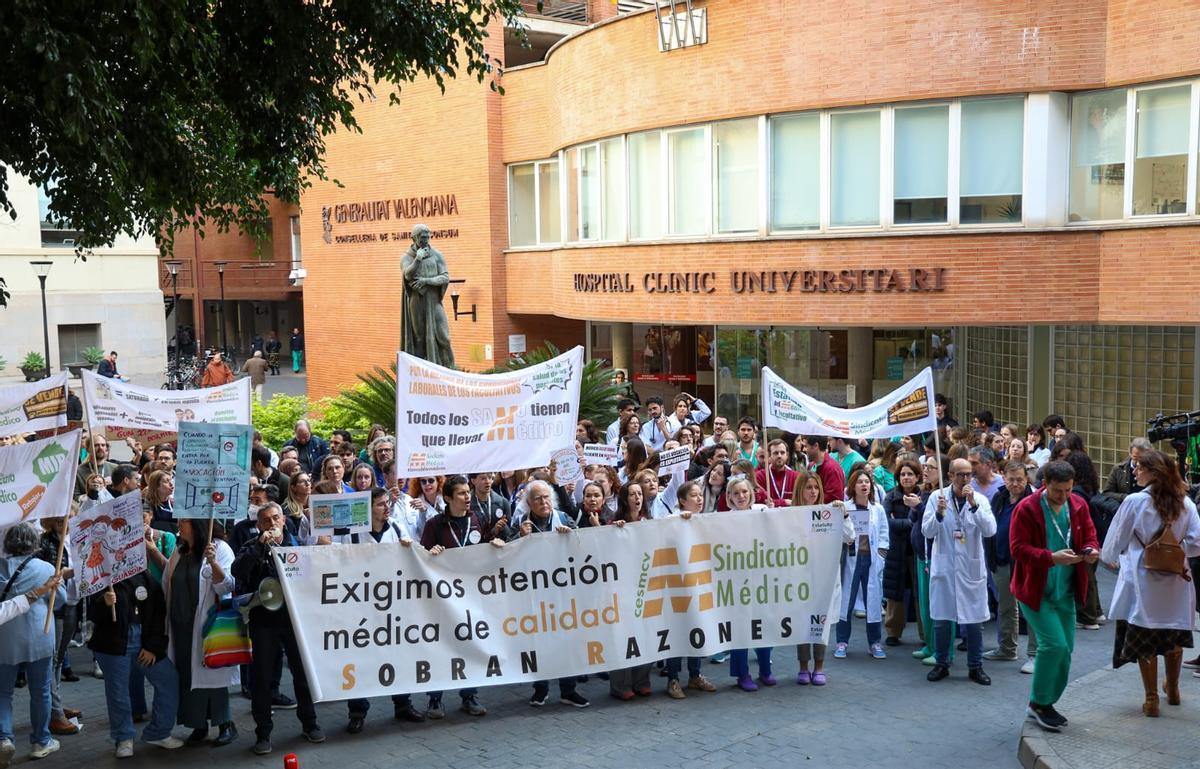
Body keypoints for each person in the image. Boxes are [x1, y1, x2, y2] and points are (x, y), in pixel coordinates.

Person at [1101, 449, 1200, 718]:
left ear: (1154, 473)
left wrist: (1110, 557)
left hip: (1142, 580)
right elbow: (1197, 544)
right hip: (1176, 582)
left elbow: (1115, 540)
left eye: (1139, 468)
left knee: (1145, 639)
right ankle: (1175, 689)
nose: (1135, 471)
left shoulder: (1135, 502)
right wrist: (1174, 548)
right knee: (1172, 635)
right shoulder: (1186, 503)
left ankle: (1151, 699)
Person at [1010, 460, 1099, 731]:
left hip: (1066, 591)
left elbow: (1091, 536)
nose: (1064, 496)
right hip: (1036, 592)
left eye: (1068, 490)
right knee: (1054, 646)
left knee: (1066, 650)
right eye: (1058, 491)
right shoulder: (1027, 508)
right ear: (1045, 484)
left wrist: (1091, 549)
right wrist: (1051, 558)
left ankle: (1047, 702)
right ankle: (1038, 703)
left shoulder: (1078, 505)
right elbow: (1017, 549)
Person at [232, 503, 324, 754]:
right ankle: (263, 733)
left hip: (294, 620)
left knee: (301, 673)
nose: (271, 524)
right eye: (265, 520)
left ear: (283, 520)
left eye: (275, 518)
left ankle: (310, 722)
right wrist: (260, 546)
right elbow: (237, 572)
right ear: (259, 525)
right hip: (263, 621)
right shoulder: (252, 546)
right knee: (261, 679)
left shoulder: (297, 545)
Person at [419, 476, 503, 717]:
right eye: (462, 493)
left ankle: (469, 695)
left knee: (469, 645)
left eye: (468, 492)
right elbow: (421, 559)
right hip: (443, 599)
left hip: (471, 597)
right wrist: (430, 553)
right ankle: (435, 699)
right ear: (447, 498)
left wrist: (495, 543)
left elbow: (486, 546)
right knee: (442, 647)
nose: (468, 497)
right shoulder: (435, 525)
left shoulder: (478, 519)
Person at [507, 481, 591, 709]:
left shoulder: (563, 519)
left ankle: (568, 689)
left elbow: (585, 548)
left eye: (546, 498)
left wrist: (571, 536)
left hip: (564, 593)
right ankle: (540, 689)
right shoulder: (521, 524)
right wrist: (518, 539)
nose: (543, 502)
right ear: (529, 503)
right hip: (534, 593)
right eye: (537, 499)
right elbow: (506, 555)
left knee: (568, 640)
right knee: (538, 641)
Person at [87, 568, 184, 757]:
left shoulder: (144, 576)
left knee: (168, 679)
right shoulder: (100, 576)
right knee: (118, 692)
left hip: (143, 642)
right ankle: (123, 738)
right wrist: (103, 604)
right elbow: (91, 613)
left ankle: (159, 732)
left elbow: (158, 610)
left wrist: (153, 647)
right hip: (113, 644)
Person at [922, 457, 997, 685]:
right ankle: (942, 663)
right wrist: (939, 515)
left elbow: (990, 530)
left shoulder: (980, 500)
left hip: (970, 569)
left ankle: (975, 666)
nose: (965, 479)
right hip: (945, 568)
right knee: (942, 620)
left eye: (968, 475)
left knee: (974, 621)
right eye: (960, 474)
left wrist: (974, 506)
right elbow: (926, 531)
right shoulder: (937, 498)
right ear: (951, 476)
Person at [163, 519, 238, 747]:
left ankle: (225, 723)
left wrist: (213, 562)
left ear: (197, 524)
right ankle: (198, 724)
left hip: (208, 624)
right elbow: (167, 582)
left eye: (184, 521)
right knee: (187, 675)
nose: (178, 524)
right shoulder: (179, 551)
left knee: (213, 674)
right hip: (180, 624)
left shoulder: (219, 548)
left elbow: (227, 586)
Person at [0, 524, 67, 764]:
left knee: (3, 693)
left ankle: (4, 739)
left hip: (4, 641)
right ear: (33, 543)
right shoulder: (46, 568)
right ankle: (41, 741)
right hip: (40, 635)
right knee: (40, 692)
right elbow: (60, 601)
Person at [791, 469, 852, 685]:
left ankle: (819, 666)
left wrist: (843, 515)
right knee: (802, 624)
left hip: (824, 578)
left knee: (821, 623)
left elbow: (849, 537)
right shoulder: (790, 515)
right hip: (800, 577)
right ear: (800, 490)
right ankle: (803, 666)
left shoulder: (829, 512)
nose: (813, 492)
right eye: (809, 487)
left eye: (816, 487)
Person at [663, 481, 718, 699]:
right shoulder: (671, 521)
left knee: (698, 628)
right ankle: (673, 679)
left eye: (700, 495)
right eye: (694, 496)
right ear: (682, 501)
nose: (699, 499)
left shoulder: (705, 521)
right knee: (678, 631)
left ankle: (695, 675)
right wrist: (678, 520)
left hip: (699, 584)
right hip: (677, 585)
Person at [724, 477, 776, 690]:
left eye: (744, 492)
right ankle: (742, 673)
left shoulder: (762, 510)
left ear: (751, 493)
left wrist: (775, 516)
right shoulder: (724, 520)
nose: (741, 496)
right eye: (736, 493)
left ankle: (765, 669)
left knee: (764, 624)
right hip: (737, 582)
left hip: (761, 579)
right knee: (740, 628)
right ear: (729, 497)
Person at [834, 467, 889, 660]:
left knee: (873, 601)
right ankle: (842, 641)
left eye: (867, 482)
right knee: (846, 600)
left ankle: (874, 643)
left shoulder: (878, 509)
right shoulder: (845, 507)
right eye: (860, 482)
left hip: (871, 560)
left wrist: (881, 555)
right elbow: (839, 534)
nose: (864, 485)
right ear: (853, 486)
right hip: (851, 559)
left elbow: (883, 534)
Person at [983, 461, 1035, 664]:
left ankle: (1034, 655)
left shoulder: (1033, 501)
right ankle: (1007, 648)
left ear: (1026, 479)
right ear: (1004, 478)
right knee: (1005, 607)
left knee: (1029, 609)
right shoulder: (999, 497)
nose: (1015, 484)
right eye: (1011, 479)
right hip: (1001, 561)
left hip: (1023, 564)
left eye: (1019, 480)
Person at [35, 519, 80, 736]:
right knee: (52, 659)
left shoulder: (78, 537)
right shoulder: (45, 542)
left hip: (73, 602)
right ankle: (55, 713)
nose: (67, 523)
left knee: (60, 659)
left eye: (70, 517)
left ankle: (57, 704)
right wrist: (70, 571)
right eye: (62, 520)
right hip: (56, 606)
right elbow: (46, 574)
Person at [882, 458, 925, 647]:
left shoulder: (925, 496)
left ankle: (926, 634)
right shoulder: (890, 496)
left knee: (921, 592)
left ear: (917, 477)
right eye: (902, 474)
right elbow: (886, 522)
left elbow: (925, 521)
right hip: (896, 550)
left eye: (910, 474)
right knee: (894, 592)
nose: (906, 478)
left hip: (917, 549)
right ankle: (893, 631)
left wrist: (903, 522)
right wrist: (910, 522)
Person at [401, 225, 454, 367]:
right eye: (422, 237)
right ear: (414, 238)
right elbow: (407, 274)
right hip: (417, 302)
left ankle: (451, 369)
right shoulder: (407, 257)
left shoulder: (437, 255)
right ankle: (421, 373)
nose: (425, 240)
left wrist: (426, 281)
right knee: (419, 339)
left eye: (427, 237)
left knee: (444, 338)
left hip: (434, 301)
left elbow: (445, 277)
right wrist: (418, 259)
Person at [803, 435, 846, 505]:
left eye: (806, 446)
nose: (804, 450)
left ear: (816, 446)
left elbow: (834, 500)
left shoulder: (832, 469)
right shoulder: (810, 466)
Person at [756, 439, 797, 508]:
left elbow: (799, 501)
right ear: (769, 456)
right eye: (776, 453)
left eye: (782, 452)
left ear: (787, 455)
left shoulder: (796, 476)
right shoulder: (759, 476)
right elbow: (760, 501)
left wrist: (775, 502)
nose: (779, 456)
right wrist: (785, 502)